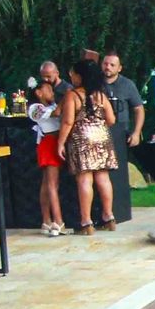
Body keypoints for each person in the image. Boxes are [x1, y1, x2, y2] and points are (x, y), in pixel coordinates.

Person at [57, 59, 116, 235]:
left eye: (73, 74)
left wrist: (60, 143)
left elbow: (68, 122)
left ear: (80, 76)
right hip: (102, 137)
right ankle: (109, 216)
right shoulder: (100, 95)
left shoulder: (73, 95)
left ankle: (86, 221)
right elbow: (111, 119)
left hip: (82, 137)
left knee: (84, 179)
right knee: (103, 177)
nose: (72, 77)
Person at [27, 82, 65, 237]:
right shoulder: (35, 108)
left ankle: (46, 220)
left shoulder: (53, 104)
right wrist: (67, 97)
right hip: (48, 143)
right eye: (48, 90)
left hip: (56, 141)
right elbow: (55, 113)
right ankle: (58, 220)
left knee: (47, 183)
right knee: (52, 184)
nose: (52, 93)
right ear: (38, 92)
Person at [101, 52, 145, 149]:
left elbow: (139, 109)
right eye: (105, 64)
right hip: (99, 132)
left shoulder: (128, 85)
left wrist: (136, 133)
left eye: (112, 65)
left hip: (121, 133)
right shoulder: (94, 83)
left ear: (119, 68)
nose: (108, 67)